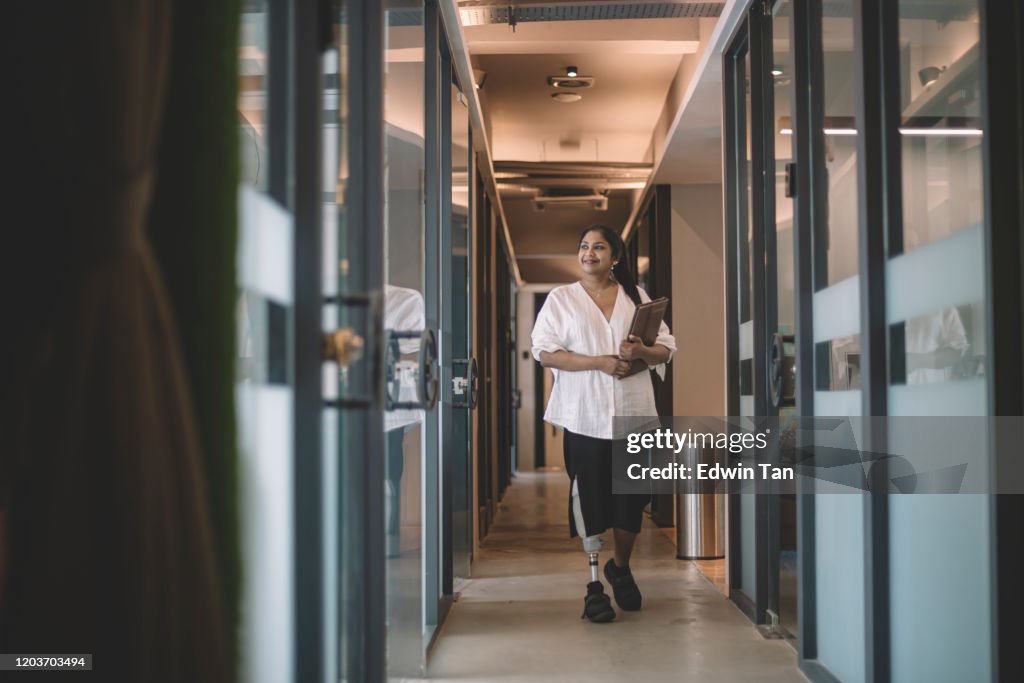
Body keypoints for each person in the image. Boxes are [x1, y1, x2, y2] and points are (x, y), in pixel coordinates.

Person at [531, 224, 676, 623]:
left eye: (598, 247)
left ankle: (621, 567)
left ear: (615, 257)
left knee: (631, 503)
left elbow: (666, 349)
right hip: (585, 416)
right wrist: (600, 362)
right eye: (583, 247)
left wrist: (642, 350)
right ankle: (594, 586)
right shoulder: (561, 300)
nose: (589, 253)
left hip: (634, 415)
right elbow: (544, 353)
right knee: (590, 501)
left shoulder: (637, 297)